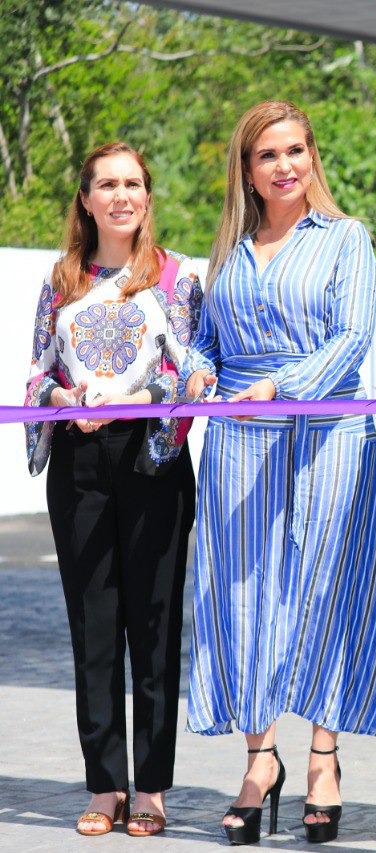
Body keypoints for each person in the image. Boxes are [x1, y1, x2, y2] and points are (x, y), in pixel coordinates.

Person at [182, 100, 376, 847]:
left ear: (313, 155)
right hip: (240, 443)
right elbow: (206, 346)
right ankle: (258, 762)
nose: (284, 166)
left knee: (324, 594)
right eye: (266, 155)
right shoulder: (230, 252)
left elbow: (353, 338)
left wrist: (283, 387)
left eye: (294, 151)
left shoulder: (346, 238)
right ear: (245, 170)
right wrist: (194, 372)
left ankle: (322, 758)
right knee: (242, 600)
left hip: (328, 433)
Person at [24, 141, 202, 838]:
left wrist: (128, 402)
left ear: (148, 197)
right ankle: (105, 785)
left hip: (153, 460)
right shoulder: (61, 279)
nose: (121, 195)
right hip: (80, 461)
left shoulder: (177, 277)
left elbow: (193, 375)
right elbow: (36, 374)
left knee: (154, 627)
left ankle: (151, 787)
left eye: (133, 184)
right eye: (107, 184)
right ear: (86, 198)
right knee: (94, 630)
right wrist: (66, 396)